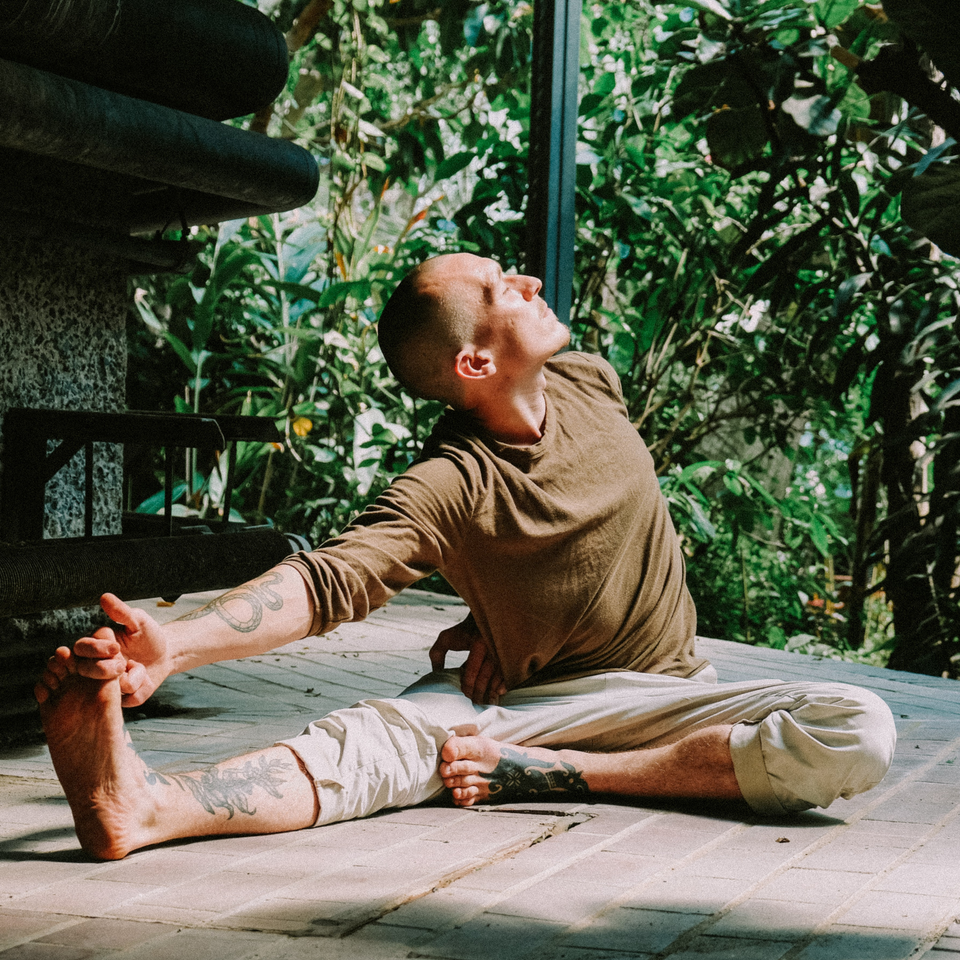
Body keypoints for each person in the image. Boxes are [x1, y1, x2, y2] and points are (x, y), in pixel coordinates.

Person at [34, 253, 897, 862]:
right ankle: (139, 806)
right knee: (379, 748)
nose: (525, 280)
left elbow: (594, 534)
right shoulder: (450, 482)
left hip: (665, 697)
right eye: (500, 287)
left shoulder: (590, 380)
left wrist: (492, 607)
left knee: (860, 725)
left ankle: (567, 780)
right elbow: (332, 576)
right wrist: (174, 642)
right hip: (527, 703)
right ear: (476, 359)